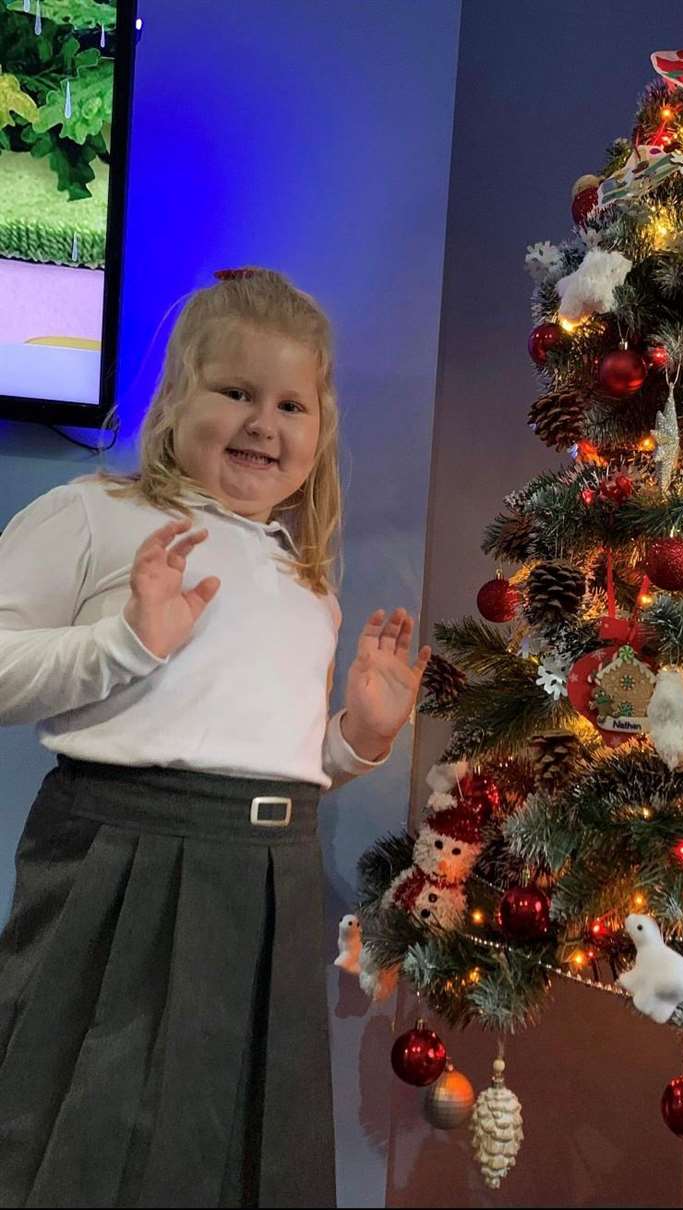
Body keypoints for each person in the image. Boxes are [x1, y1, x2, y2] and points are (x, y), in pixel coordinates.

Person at [0, 267, 431, 1208]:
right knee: (89, 1131)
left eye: (290, 404)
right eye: (234, 391)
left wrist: (357, 735)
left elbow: (273, 757)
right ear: (175, 398)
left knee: (241, 1149)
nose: (262, 423)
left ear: (320, 431)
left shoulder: (304, 577)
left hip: (269, 872)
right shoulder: (97, 516)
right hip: (122, 852)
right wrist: (125, 642)